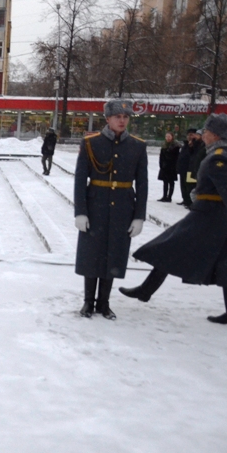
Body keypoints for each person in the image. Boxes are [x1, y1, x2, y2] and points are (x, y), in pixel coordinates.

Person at [119, 114, 227, 326]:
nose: (203, 135)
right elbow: (218, 186)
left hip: (207, 215)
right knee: (224, 261)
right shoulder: (223, 153)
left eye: (207, 131)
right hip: (214, 214)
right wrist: (199, 194)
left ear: (216, 135)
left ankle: (145, 291)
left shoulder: (219, 157)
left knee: (170, 247)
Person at [73, 98, 148, 320]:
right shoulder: (91, 143)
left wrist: (139, 217)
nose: (122, 120)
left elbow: (142, 184)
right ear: (108, 119)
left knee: (113, 255)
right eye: (118, 117)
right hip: (96, 206)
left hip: (123, 208)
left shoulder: (137, 145)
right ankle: (88, 302)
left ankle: (104, 303)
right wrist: (80, 211)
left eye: (126, 117)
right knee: (91, 255)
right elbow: (80, 179)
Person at [177, 130, 203, 207]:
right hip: (183, 168)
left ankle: (190, 201)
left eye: (192, 135)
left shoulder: (197, 145)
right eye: (188, 135)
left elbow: (194, 155)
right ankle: (185, 200)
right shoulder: (186, 144)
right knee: (184, 186)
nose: (190, 137)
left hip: (191, 168)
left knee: (190, 186)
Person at [157, 132, 180, 202]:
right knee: (165, 182)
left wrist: (175, 166)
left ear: (172, 137)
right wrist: (161, 165)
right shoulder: (164, 145)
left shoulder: (176, 146)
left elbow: (176, 157)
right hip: (164, 167)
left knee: (171, 182)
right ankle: (164, 196)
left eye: (169, 136)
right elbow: (161, 156)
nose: (167, 138)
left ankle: (169, 197)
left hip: (172, 167)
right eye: (166, 136)